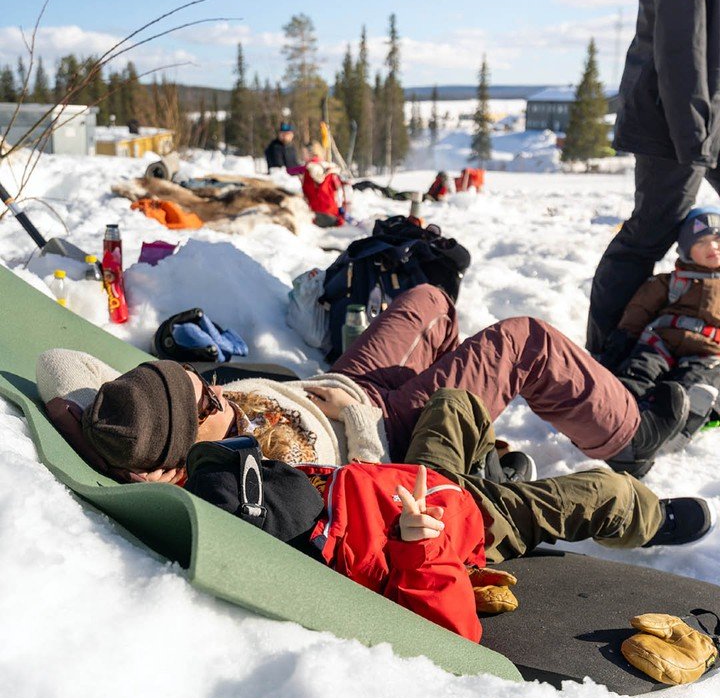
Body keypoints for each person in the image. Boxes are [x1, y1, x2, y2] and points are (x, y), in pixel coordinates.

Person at [184, 388, 714, 644]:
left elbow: (357, 477)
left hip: (425, 480)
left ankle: (494, 466)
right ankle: (647, 519)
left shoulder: (275, 487)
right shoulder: (327, 549)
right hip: (476, 520)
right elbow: (453, 632)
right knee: (607, 490)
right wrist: (423, 546)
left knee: (456, 403)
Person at [37, 284, 689, 481]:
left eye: (192, 380)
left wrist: (88, 422)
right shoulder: (243, 473)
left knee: (431, 300)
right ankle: (632, 438)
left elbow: (59, 365)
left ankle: (472, 443)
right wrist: (144, 474)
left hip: (340, 387)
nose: (211, 387)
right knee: (524, 342)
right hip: (386, 432)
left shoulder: (163, 416)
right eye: (207, 398)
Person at [587, 0, 720, 355]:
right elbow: (679, 45)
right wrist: (694, 134)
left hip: (702, 111)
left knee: (649, 230)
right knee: (648, 235)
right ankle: (603, 357)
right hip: (677, 116)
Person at [599, 205, 720, 447]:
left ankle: (675, 424)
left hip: (705, 353)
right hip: (659, 343)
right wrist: (621, 339)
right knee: (639, 371)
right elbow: (638, 310)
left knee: (692, 386)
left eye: (717, 240)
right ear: (686, 250)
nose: (712, 248)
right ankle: (614, 415)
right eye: (702, 243)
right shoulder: (668, 282)